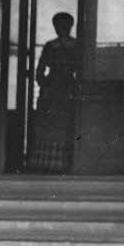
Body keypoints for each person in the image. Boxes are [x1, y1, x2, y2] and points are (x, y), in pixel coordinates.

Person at [28, 12, 80, 174]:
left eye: (65, 25)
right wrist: (45, 85)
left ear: (70, 26)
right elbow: (40, 70)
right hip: (51, 91)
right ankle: (48, 164)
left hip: (68, 89)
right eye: (59, 26)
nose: (62, 29)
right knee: (48, 125)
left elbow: (82, 69)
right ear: (55, 28)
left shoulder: (77, 45)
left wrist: (76, 86)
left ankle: (66, 164)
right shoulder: (50, 46)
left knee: (67, 125)